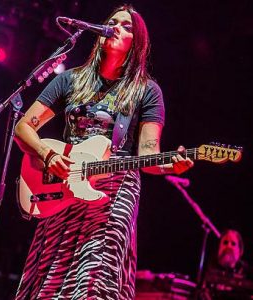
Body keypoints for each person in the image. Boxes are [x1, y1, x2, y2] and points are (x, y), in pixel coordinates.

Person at [14, 5, 194, 299]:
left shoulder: (146, 91)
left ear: (136, 43)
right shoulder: (70, 80)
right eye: (112, 22)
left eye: (126, 26)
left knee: (97, 270)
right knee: (54, 270)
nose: (115, 27)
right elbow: (24, 128)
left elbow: (149, 155)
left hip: (116, 187)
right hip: (66, 181)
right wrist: (48, 155)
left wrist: (170, 166)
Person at [201, 229, 251, 299]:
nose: (228, 246)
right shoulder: (208, 268)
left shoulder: (247, 272)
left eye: (233, 244)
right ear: (219, 248)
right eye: (225, 242)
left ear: (240, 251)